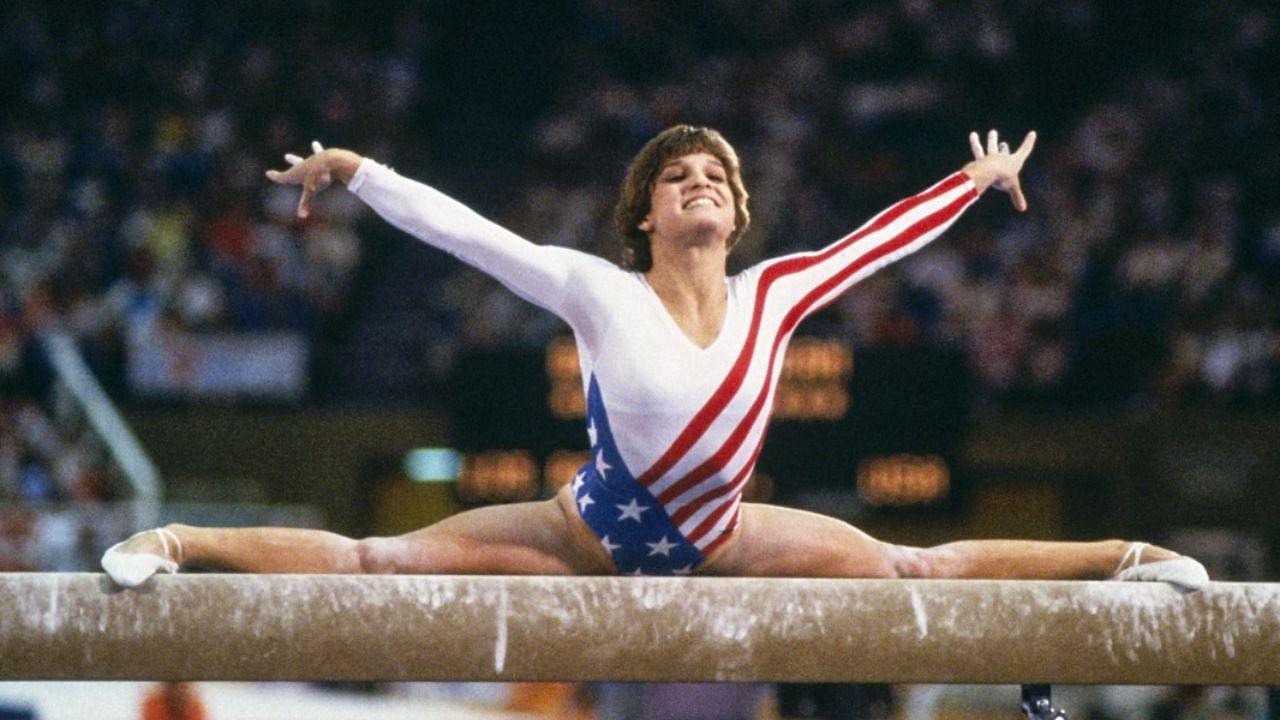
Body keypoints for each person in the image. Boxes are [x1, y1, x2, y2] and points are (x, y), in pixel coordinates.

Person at [102, 126, 1208, 590]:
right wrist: (357, 171)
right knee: (376, 563)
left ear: (736, 215)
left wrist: (970, 188)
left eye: (718, 181)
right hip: (580, 531)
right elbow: (470, 236)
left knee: (908, 570)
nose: (702, 187)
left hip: (725, 537)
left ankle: (1121, 557)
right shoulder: (598, 289)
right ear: (643, 213)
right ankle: (171, 538)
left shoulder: (776, 292)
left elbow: (877, 239)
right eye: (681, 178)